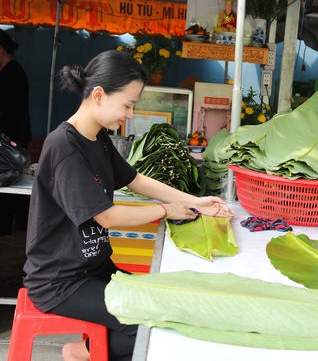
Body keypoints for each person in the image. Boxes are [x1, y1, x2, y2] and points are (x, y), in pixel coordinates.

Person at [23, 50, 235, 361]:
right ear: (98, 95)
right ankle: (79, 353)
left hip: (94, 270)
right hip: (61, 281)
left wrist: (194, 201)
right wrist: (167, 210)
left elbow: (135, 180)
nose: (131, 114)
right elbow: (107, 217)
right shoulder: (65, 147)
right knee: (145, 328)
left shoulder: (97, 138)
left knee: (166, 309)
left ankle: (88, 350)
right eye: (128, 105)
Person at [0, 29, 31, 235]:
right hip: (10, 138)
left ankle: (9, 226)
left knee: (10, 184)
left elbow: (13, 108)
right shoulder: (8, 70)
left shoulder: (12, 72)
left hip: (12, 140)